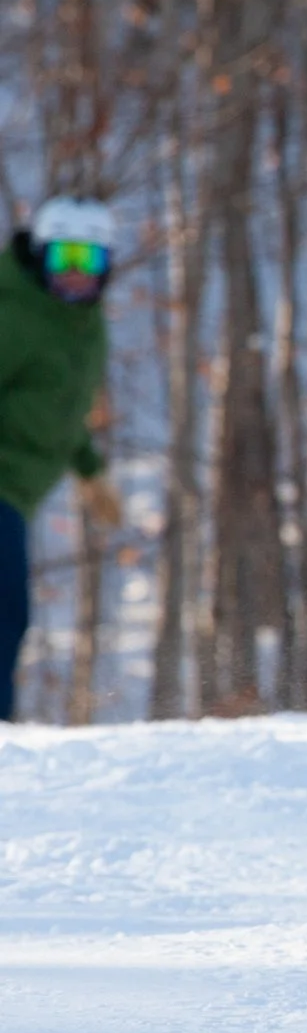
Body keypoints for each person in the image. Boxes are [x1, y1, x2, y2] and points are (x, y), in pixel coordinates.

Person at [0, 196, 120, 723]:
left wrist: (90, 472)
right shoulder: (15, 313)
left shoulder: (83, 327)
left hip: (17, 491)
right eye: (64, 258)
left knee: (10, 616)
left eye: (88, 260)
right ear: (42, 256)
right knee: (6, 613)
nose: (75, 273)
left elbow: (58, 410)